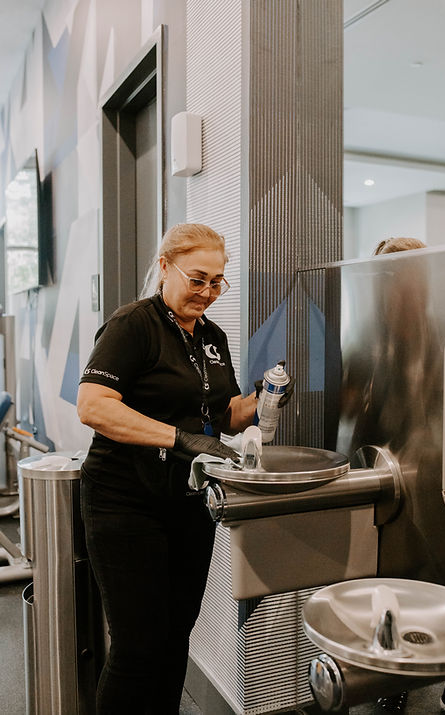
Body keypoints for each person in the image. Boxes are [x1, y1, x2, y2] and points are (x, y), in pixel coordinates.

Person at [77, 223, 293, 714]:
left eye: (218, 282)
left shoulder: (211, 336)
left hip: (189, 504)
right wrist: (179, 439)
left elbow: (225, 415)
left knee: (176, 636)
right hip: (125, 502)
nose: (208, 293)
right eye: (198, 279)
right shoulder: (134, 324)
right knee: (137, 647)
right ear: (164, 267)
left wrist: (264, 398)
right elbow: (93, 406)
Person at [371, 238, 445, 715]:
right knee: (393, 577)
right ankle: (390, 679)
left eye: (412, 281)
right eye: (394, 282)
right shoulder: (367, 336)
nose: (404, 292)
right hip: (387, 473)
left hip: (438, 473)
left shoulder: (444, 330)